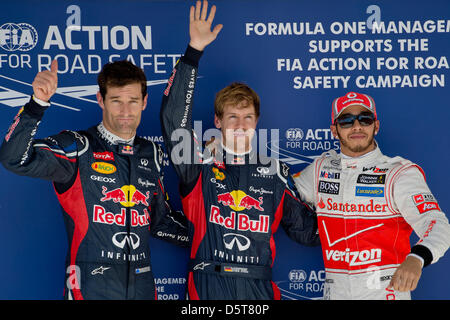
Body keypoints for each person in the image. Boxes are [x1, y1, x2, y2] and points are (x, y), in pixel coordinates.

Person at [160, 0, 319, 300]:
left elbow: (306, 231)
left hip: (258, 290)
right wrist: (193, 51)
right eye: (232, 116)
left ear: (257, 122)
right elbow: (173, 121)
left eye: (248, 117)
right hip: (207, 287)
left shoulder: (275, 172)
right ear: (218, 121)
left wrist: (357, 214)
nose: (241, 124)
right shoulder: (197, 162)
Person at [0, 59, 189, 300]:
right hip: (90, 286)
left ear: (144, 102)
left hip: (142, 286)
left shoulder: (152, 153)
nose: (125, 111)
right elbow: (13, 158)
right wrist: (37, 104)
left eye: (132, 102)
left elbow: (160, 221)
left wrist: (212, 239)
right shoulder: (77, 147)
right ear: (101, 100)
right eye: (116, 101)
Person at [293, 91, 450, 300]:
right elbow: (281, 195)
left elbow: (438, 224)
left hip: (385, 295)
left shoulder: (398, 173)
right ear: (334, 130)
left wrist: (417, 258)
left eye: (364, 119)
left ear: (376, 126)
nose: (357, 126)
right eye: (346, 121)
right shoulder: (320, 169)